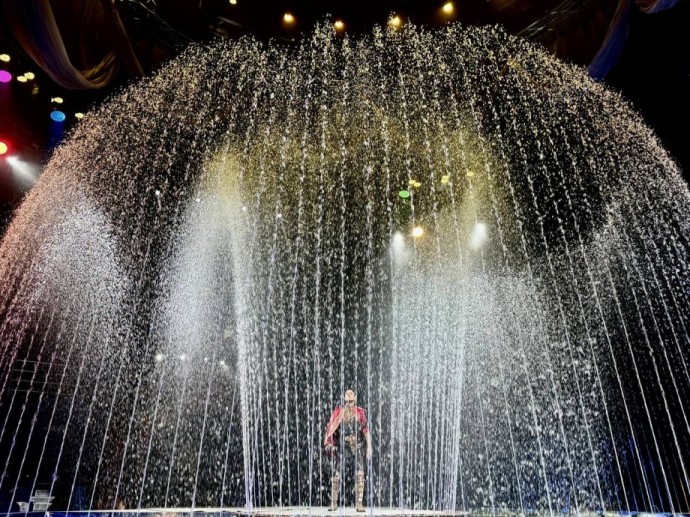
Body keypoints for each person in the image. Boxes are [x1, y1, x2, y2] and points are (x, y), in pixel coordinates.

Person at [324, 389, 372, 512]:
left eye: (351, 393)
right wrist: (330, 443)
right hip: (343, 447)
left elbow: (366, 430)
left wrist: (369, 446)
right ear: (344, 397)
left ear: (355, 397)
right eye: (347, 393)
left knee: (360, 475)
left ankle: (359, 504)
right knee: (336, 475)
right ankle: (334, 503)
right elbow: (331, 427)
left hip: (358, 446)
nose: (349, 395)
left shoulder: (360, 412)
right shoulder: (338, 412)